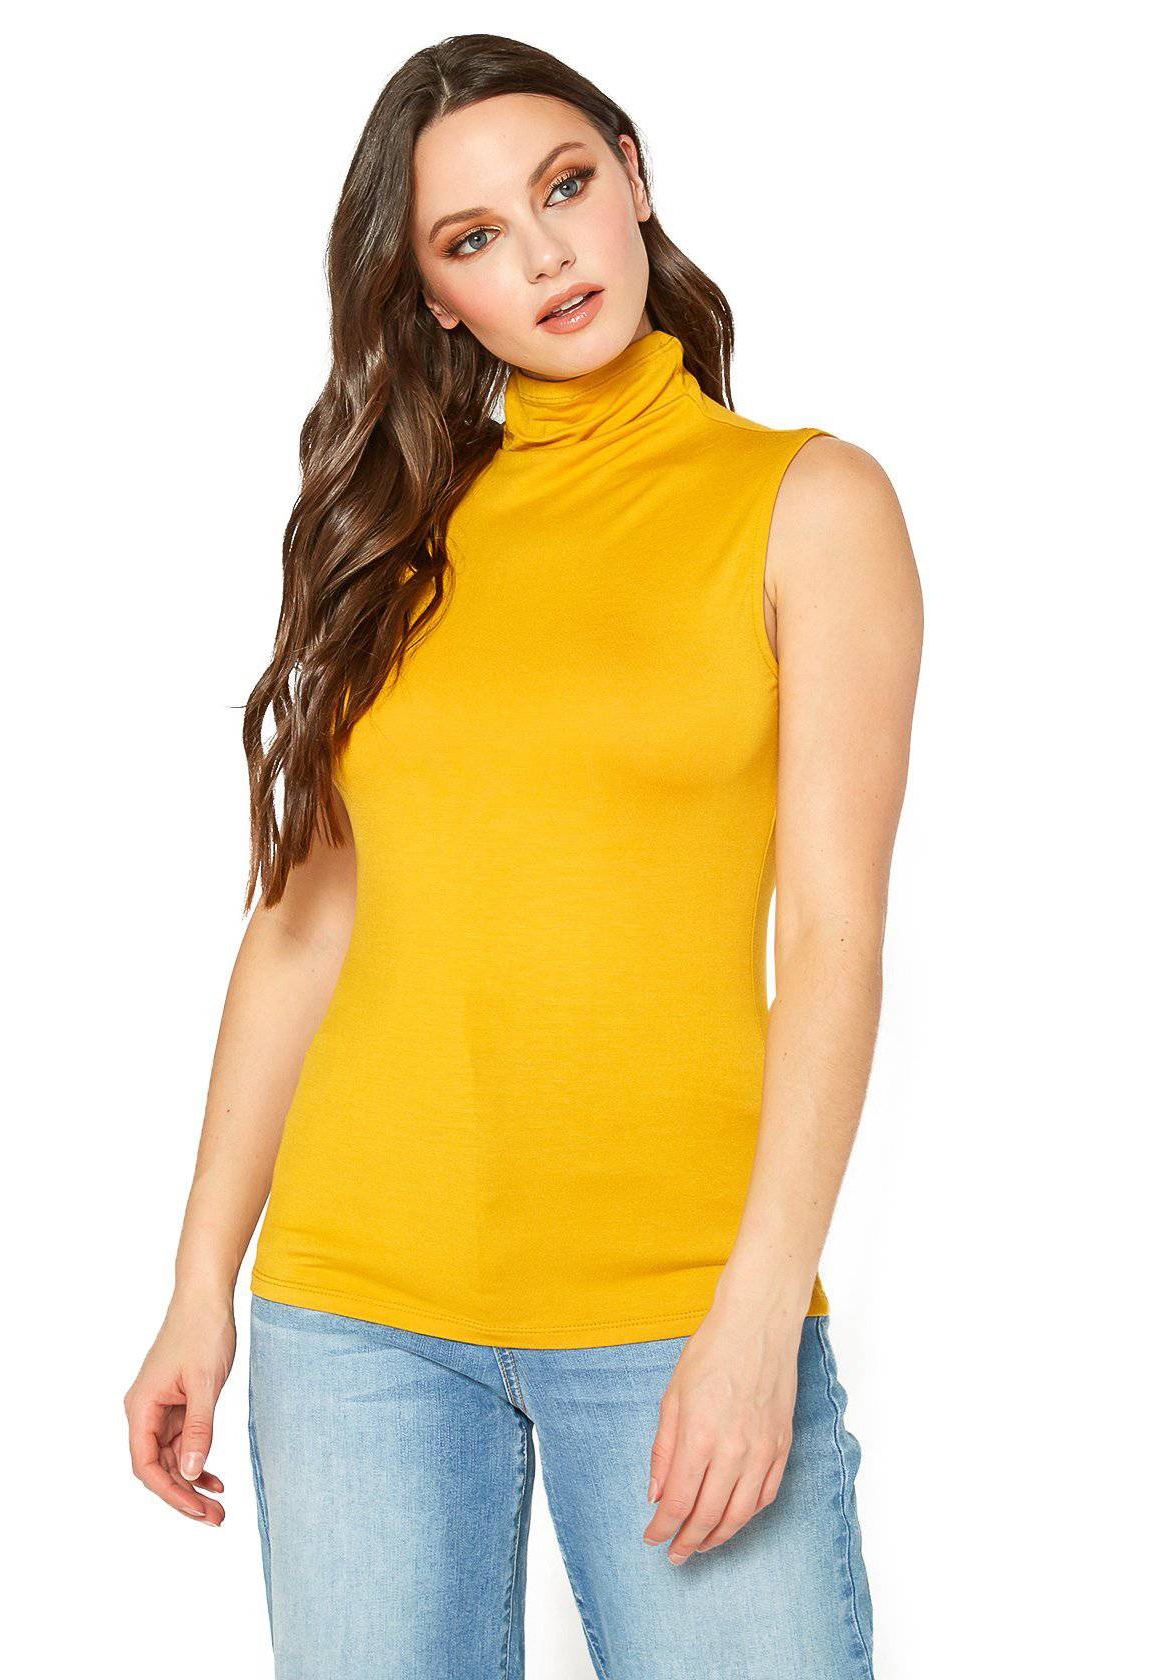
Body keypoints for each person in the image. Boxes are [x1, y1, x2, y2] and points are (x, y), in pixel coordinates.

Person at [124, 33, 922, 1679]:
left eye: (565, 187)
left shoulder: (807, 503)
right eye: (474, 236)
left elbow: (836, 938)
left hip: (681, 1304)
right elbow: (301, 932)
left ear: (635, 175)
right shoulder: (395, 539)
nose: (547, 253)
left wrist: (759, 1312)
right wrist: (201, 1282)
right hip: (356, 1317)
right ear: (430, 298)